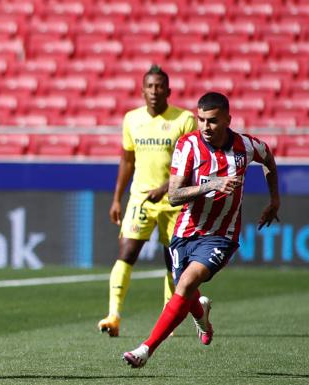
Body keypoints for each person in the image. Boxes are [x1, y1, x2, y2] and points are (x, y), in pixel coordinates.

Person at [123, 92, 280, 368]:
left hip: (221, 234)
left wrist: (274, 200)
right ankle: (202, 316)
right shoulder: (188, 146)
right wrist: (211, 184)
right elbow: (173, 196)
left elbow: (268, 158)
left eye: (213, 121)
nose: (206, 127)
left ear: (228, 120)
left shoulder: (245, 146)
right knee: (185, 285)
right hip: (185, 230)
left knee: (184, 284)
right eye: (201, 120)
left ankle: (145, 349)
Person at [98, 65, 197, 337]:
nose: (155, 91)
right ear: (142, 91)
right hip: (140, 199)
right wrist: (117, 198)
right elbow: (127, 160)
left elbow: (192, 164)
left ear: (169, 90)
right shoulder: (132, 119)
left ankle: (170, 317)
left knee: (172, 261)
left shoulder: (185, 120)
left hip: (175, 201)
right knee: (126, 253)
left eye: (160, 86)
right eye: (150, 87)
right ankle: (113, 315)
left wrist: (166, 187)